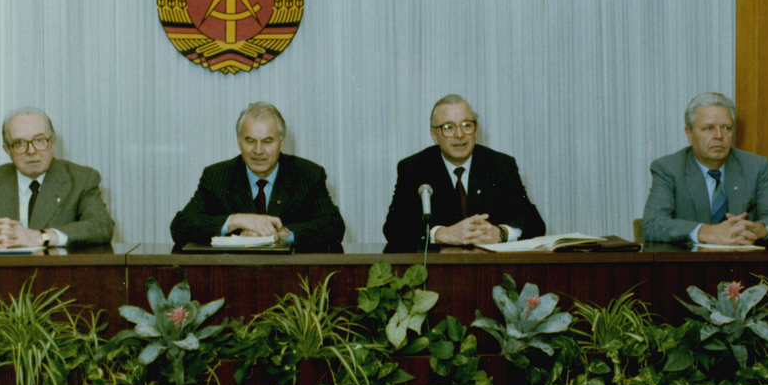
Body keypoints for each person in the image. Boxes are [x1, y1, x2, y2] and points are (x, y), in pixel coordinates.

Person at [170, 102, 345, 252]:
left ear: (282, 142)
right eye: (250, 141)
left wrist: (283, 233)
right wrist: (238, 220)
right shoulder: (217, 176)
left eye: (267, 141)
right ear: (239, 141)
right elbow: (180, 227)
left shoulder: (307, 174)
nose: (258, 150)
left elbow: (334, 225)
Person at [0, 108, 115, 249]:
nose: (31, 151)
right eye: (20, 143)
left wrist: (42, 237)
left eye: (39, 140)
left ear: (53, 143)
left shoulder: (81, 179)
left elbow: (102, 226)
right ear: (7, 150)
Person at [382, 94, 545, 252]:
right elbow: (393, 228)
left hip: (489, 268)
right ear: (434, 135)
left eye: (467, 125)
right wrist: (440, 234)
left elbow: (534, 224)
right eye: (448, 127)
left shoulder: (500, 165)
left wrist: (501, 233)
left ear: (476, 130)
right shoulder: (414, 168)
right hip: (437, 270)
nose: (459, 135)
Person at [642, 92, 768, 245]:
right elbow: (652, 224)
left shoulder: (755, 166)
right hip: (689, 265)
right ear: (689, 134)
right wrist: (706, 232)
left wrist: (760, 229)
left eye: (726, 128)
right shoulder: (668, 168)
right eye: (708, 128)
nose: (719, 136)